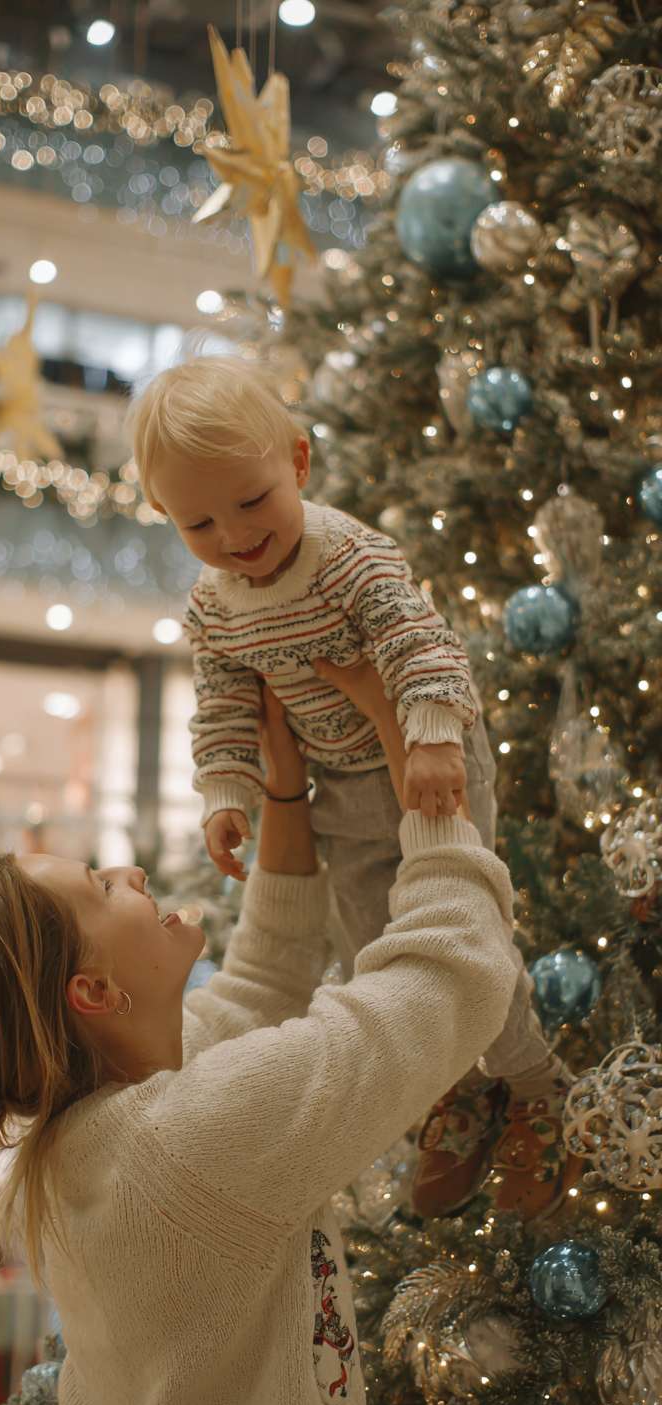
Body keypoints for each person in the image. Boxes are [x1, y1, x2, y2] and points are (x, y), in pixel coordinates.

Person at [0, 659, 521, 1405]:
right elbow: (449, 982)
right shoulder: (186, 1138)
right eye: (102, 887)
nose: (131, 872)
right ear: (92, 991)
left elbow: (262, 977)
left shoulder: (85, 1141)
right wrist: (427, 785)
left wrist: (284, 786)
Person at [126, 354, 575, 1221]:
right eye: (200, 523)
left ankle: (534, 1082)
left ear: (297, 463)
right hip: (334, 787)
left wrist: (433, 740)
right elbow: (223, 703)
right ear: (164, 515)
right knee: (379, 948)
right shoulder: (215, 606)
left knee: (459, 928)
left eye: (252, 501)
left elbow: (421, 648)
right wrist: (226, 791)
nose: (235, 536)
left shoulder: (348, 559)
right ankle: (459, 1084)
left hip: (425, 751)